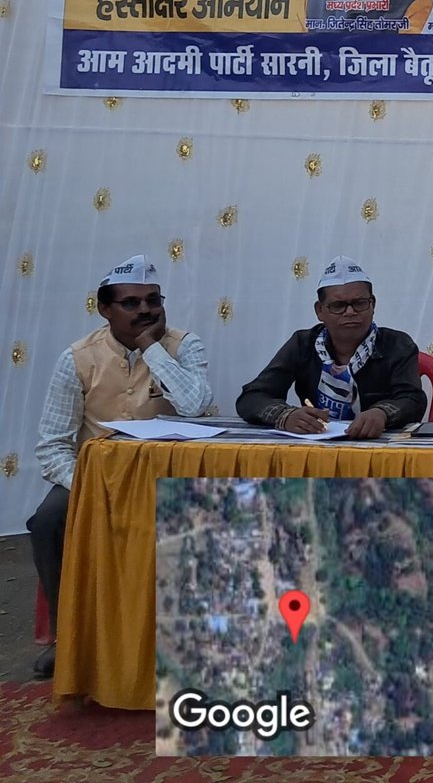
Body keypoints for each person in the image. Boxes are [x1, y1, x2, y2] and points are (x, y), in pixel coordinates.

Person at [29, 255, 212, 679]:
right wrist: (91, 486)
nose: (145, 310)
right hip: (94, 477)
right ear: (105, 309)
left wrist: (152, 349)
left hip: (169, 473)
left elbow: (196, 406)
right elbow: (53, 445)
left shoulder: (184, 346)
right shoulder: (77, 358)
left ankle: (193, 638)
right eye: (131, 303)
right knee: (47, 521)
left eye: (153, 300)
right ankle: (67, 638)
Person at [236, 256, 425, 437]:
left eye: (360, 303)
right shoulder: (303, 343)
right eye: (338, 305)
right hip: (316, 443)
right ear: (320, 311)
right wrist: (285, 415)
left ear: (373, 305)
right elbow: (251, 397)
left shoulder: (398, 344)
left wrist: (382, 413)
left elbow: (413, 400)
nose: (350, 312)